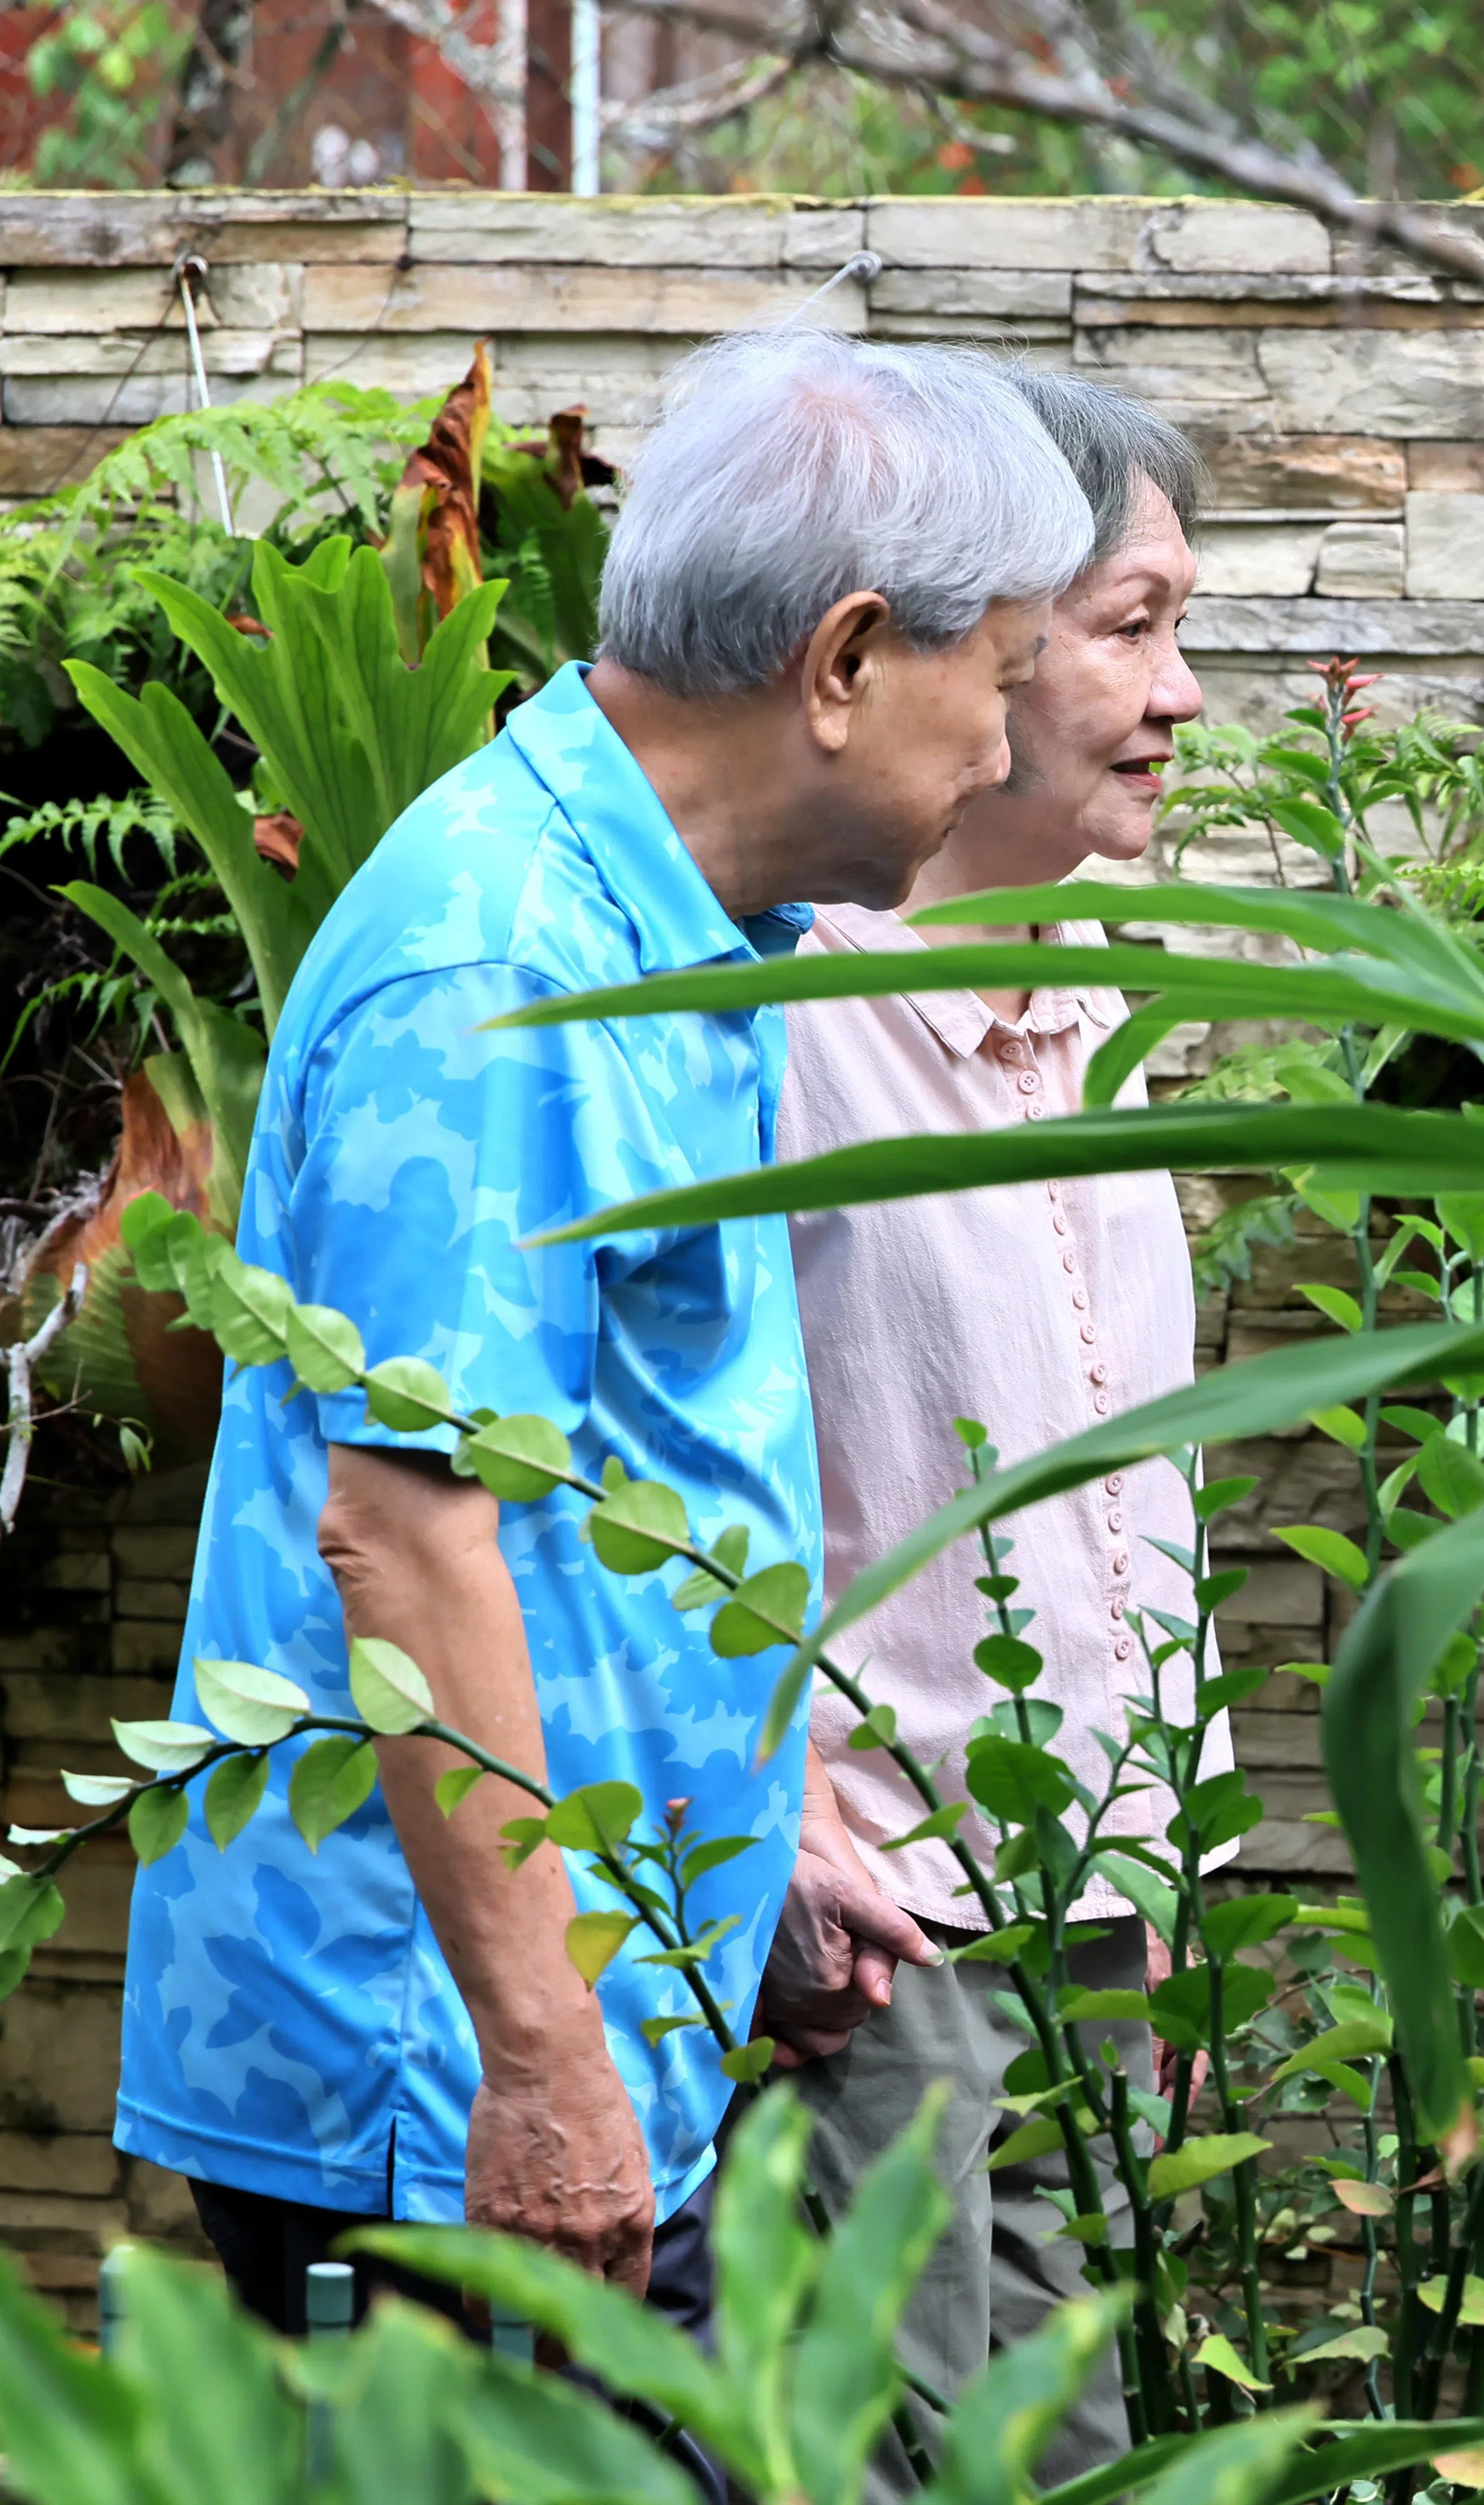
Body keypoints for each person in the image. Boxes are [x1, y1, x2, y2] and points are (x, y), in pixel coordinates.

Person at [113, 329, 1096, 2337]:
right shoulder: (505, 963)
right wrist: (545, 2056)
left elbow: (613, 1470)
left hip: (575, 2028)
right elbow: (406, 1534)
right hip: (443, 2083)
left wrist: (760, 1849)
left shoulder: (680, 928)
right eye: (992, 681)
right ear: (839, 664)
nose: (1004, 752)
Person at [750, 369, 1216, 2486]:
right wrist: (771, 1816)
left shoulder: (1110, 992)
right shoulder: (769, 1016)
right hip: (885, 1936)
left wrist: (1176, 1868)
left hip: (1106, 1914)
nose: (1179, 690)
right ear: (981, 636)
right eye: (1132, 625)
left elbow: (1149, 1490)